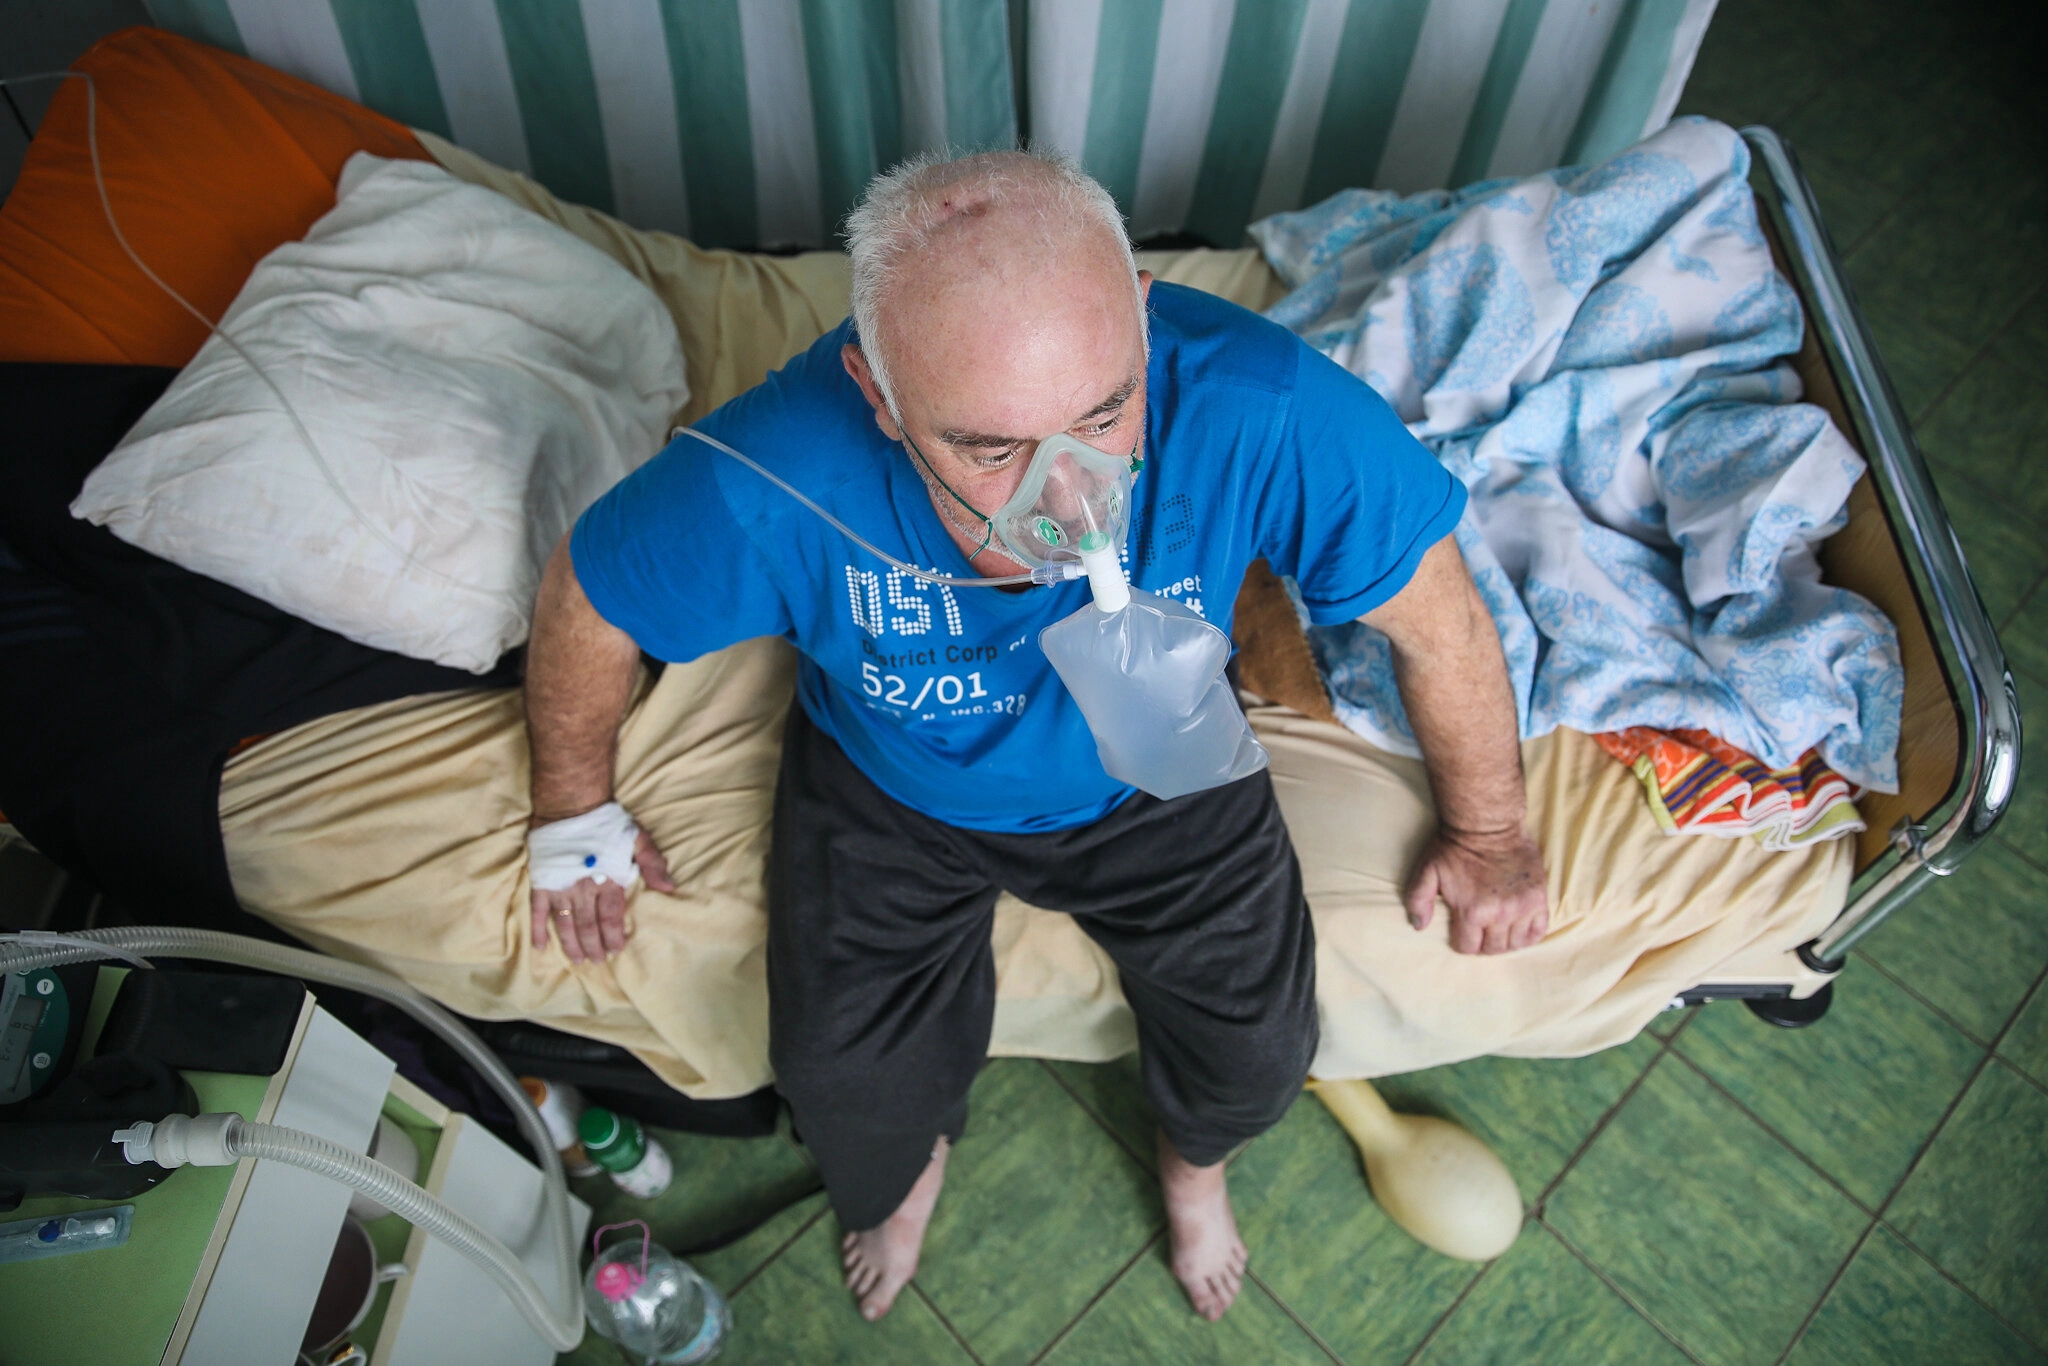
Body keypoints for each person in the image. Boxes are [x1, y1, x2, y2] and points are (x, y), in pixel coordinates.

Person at [521, 149, 1546, 1323]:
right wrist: (571, 809)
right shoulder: (778, 475)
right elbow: (589, 592)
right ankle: (911, 1163)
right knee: (839, 1083)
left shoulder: (1257, 403)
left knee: (1261, 1048)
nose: (1069, 504)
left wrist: (1490, 829)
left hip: (1160, 767)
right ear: (878, 396)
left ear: (1143, 319)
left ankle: (1191, 1162)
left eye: (1102, 413)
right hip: (890, 782)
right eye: (991, 449)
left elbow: (1444, 621)